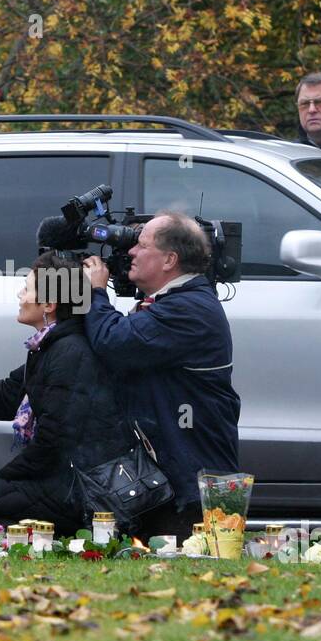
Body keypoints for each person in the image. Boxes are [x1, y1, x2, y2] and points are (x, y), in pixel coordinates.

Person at [0, 251, 133, 535]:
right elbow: (1, 398)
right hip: (63, 480)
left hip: (83, 490)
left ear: (49, 304)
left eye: (27, 288)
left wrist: (0, 481)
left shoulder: (69, 352)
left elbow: (53, 441)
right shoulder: (50, 347)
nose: (20, 295)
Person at [82, 214, 241, 540]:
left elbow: (113, 342)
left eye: (141, 245)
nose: (130, 253)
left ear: (170, 259)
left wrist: (96, 292)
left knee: (198, 576)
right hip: (179, 479)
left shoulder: (189, 309)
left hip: (195, 489)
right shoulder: (176, 301)